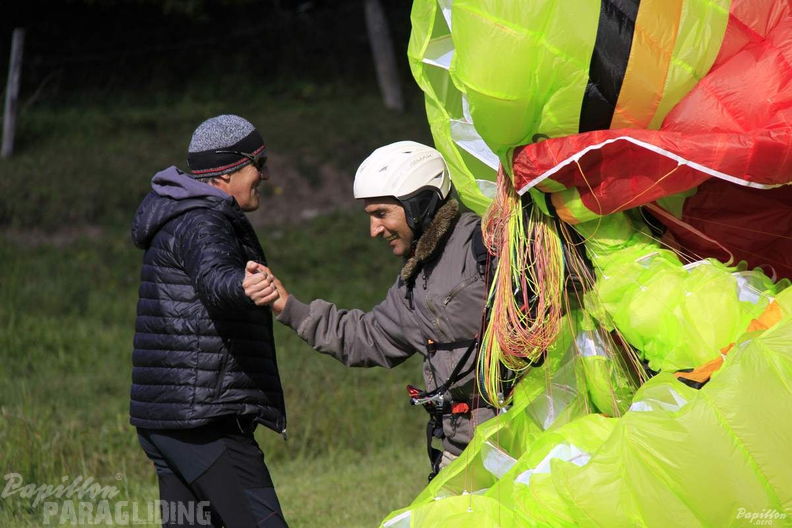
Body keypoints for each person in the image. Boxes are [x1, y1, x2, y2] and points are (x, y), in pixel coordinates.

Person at [246, 141, 495, 480]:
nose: (374, 230)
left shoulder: (484, 246)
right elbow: (370, 338)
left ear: (418, 205)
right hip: (462, 450)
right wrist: (287, 306)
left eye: (381, 214)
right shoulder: (414, 281)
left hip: (518, 443)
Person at [130, 114, 288, 527]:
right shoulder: (204, 219)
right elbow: (215, 279)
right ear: (230, 171)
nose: (266, 175)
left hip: (167, 419)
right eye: (260, 163)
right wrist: (243, 287)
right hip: (205, 423)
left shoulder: (179, 213)